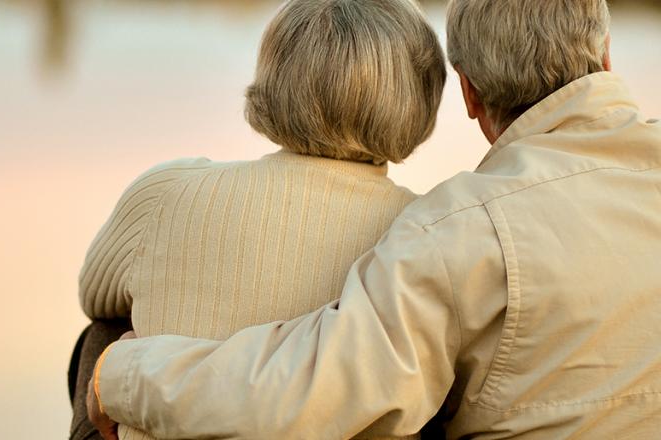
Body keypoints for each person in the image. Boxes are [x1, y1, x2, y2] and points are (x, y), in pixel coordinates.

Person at [87, 0, 661, 438]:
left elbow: (325, 385)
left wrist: (120, 375)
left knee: (100, 339)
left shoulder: (461, 226)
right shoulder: (426, 216)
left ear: (468, 92)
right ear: (606, 55)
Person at [71, 0, 446, 439]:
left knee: (105, 333)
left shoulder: (166, 191)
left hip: (167, 410)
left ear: (271, 80)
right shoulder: (430, 226)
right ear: (421, 97)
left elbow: (95, 296)